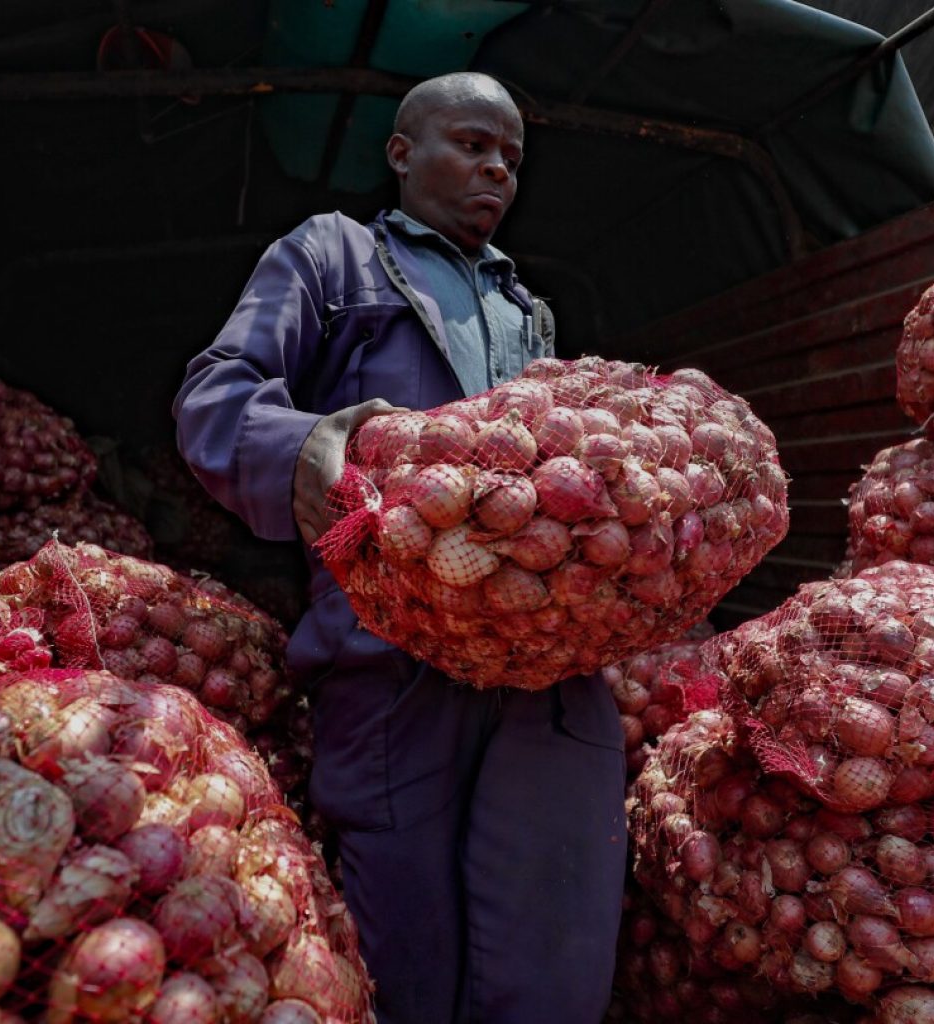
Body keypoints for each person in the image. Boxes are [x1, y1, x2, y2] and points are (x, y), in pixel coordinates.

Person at [173, 71, 626, 1024]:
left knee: (553, 936)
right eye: (471, 142)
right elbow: (217, 396)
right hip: (389, 653)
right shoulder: (332, 256)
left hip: (541, 667)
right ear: (402, 153)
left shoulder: (529, 311)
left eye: (511, 156)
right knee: (403, 950)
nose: (495, 167)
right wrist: (298, 448)